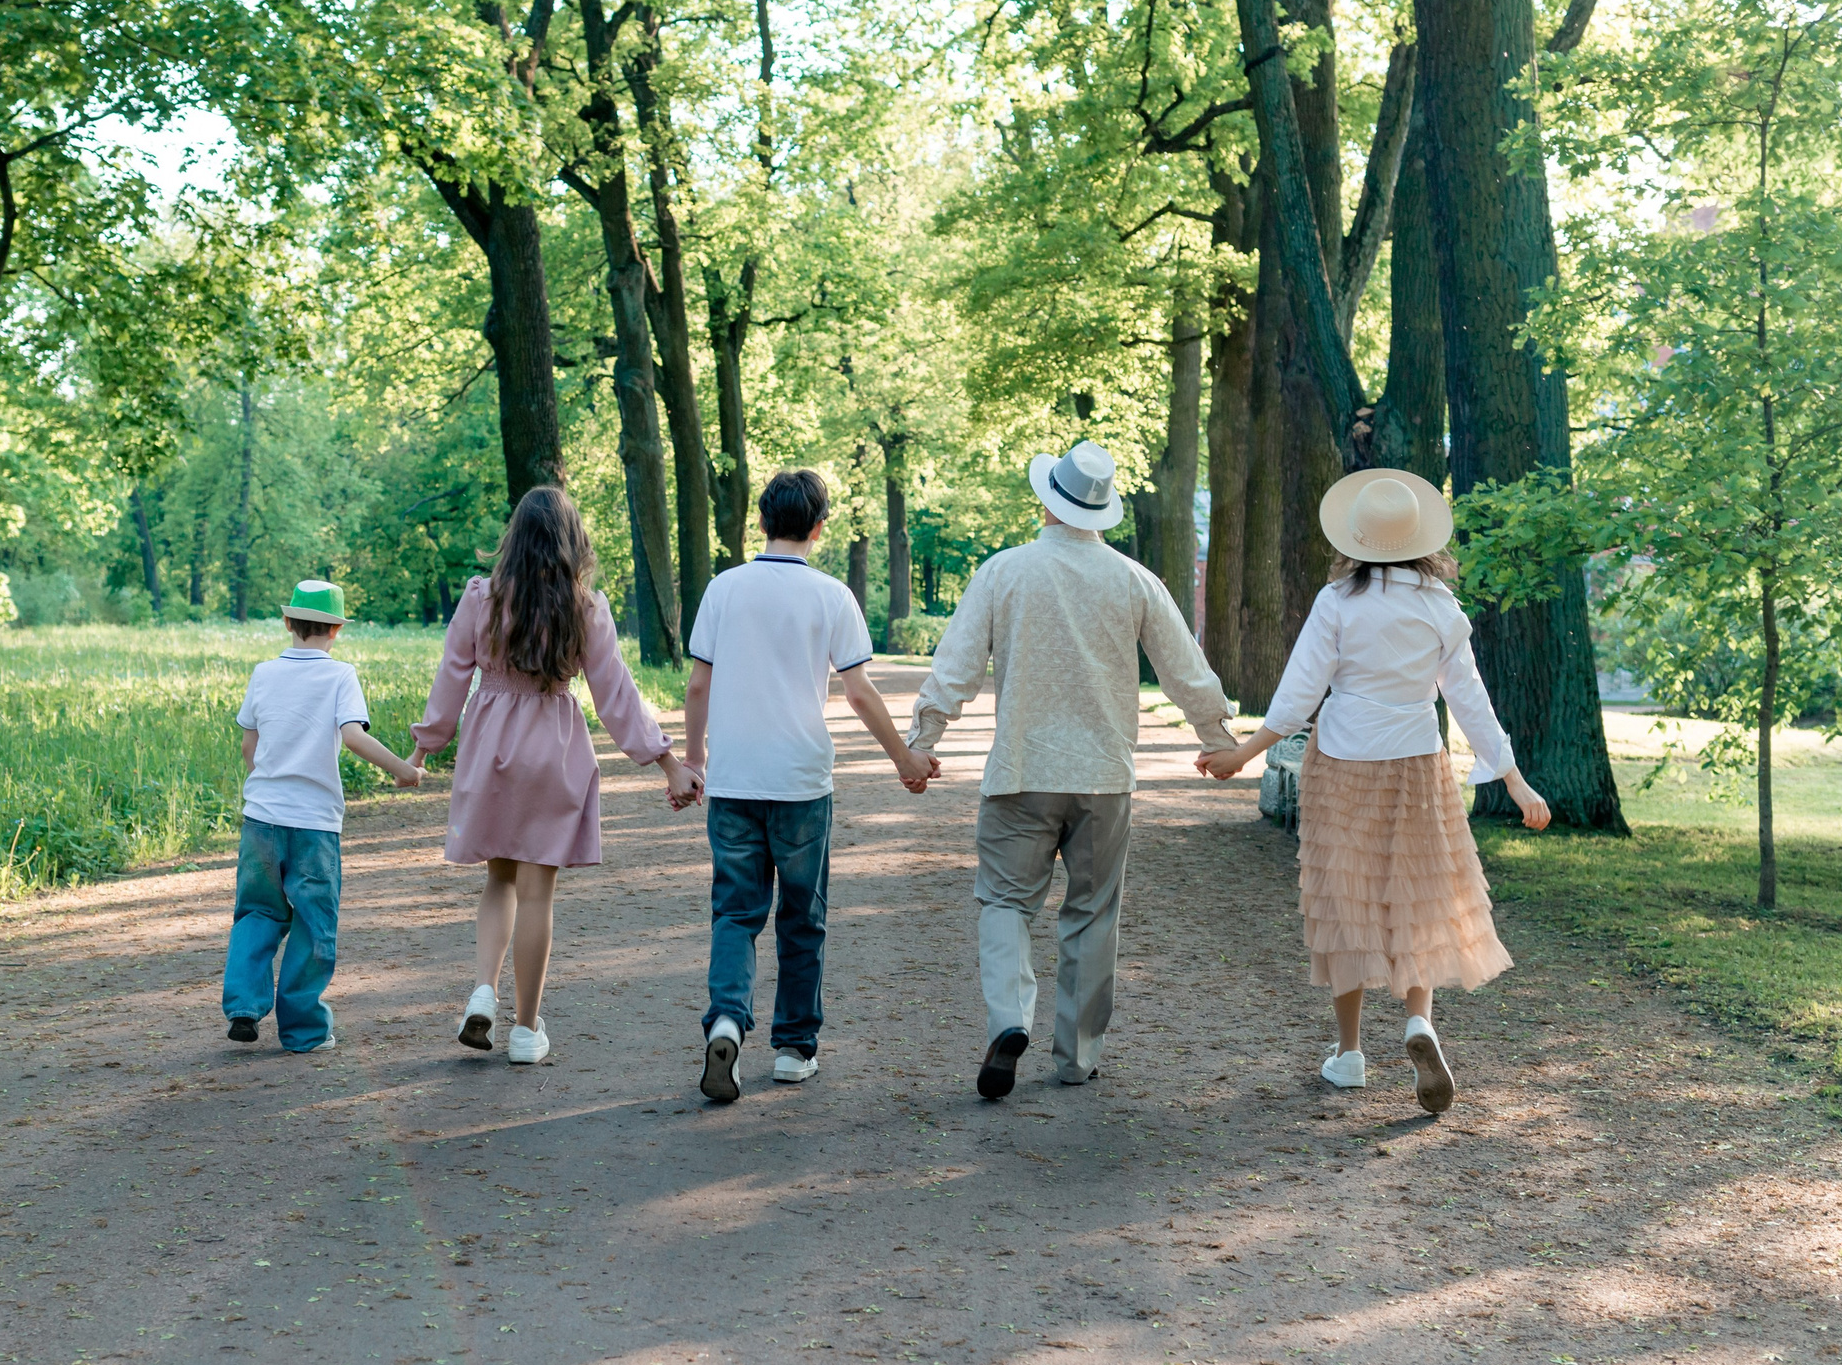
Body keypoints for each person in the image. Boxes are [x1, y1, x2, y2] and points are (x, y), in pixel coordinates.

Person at [1196, 468, 1551, 1115]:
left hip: (1345, 762)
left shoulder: (1338, 601)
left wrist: (1243, 754)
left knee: (1345, 898)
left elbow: (1302, 690)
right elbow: (1471, 700)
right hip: (1417, 761)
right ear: (1421, 540)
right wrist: (1515, 780)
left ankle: (1351, 1053)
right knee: (1415, 891)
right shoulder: (1441, 607)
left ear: (1356, 538)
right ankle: (1419, 1021)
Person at [906, 441, 1240, 1100]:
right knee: (1092, 912)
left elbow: (957, 666)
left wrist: (922, 741)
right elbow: (1184, 667)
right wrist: (1218, 737)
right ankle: (1077, 1056)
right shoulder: (1135, 580)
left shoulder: (1003, 572)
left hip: (1021, 771)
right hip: (1104, 778)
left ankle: (1008, 1019)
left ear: (1047, 500)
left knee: (1004, 900)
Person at [411, 486, 703, 1065]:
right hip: (555, 747)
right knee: (537, 891)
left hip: (492, 744)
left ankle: (481, 992)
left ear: (513, 538)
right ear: (573, 543)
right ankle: (525, 1031)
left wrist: (424, 750)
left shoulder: (481, 598)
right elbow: (615, 693)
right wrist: (669, 763)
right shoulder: (585, 607)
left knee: (498, 880)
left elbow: (450, 679)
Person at [682, 470, 941, 1104]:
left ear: (761, 522)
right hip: (801, 780)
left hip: (736, 778)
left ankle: (724, 1023)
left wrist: (694, 763)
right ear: (819, 527)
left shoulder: (724, 588)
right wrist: (904, 757)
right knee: (803, 916)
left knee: (736, 913)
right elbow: (859, 693)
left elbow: (696, 686)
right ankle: (796, 1049)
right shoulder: (832, 596)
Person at [224, 580, 423, 1053]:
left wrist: (270, 785)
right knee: (314, 923)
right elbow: (352, 736)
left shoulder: (263, 673)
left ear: (288, 623)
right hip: (314, 825)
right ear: (336, 631)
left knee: (256, 911)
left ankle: (244, 1007)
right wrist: (403, 769)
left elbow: (249, 745)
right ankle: (304, 1032)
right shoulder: (340, 675)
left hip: (262, 820)